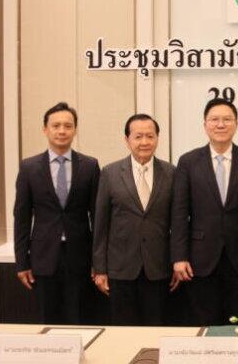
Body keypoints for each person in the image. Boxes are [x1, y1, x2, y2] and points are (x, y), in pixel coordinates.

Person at [171, 98, 238, 325]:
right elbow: (179, 214)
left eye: (227, 119)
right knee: (203, 323)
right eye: (214, 119)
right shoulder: (188, 162)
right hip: (200, 260)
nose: (221, 124)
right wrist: (179, 257)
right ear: (205, 124)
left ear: (236, 124)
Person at [13, 102, 100, 324]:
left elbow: (97, 217)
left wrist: (98, 261)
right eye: (56, 125)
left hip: (80, 257)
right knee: (47, 319)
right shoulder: (29, 167)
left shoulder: (90, 166)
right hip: (43, 258)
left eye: (68, 126)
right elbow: (22, 218)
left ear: (75, 130)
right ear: (45, 129)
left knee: (79, 319)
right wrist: (22, 262)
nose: (62, 131)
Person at [92, 114, 175, 325]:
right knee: (124, 330)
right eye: (138, 136)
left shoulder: (172, 173)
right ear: (127, 139)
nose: (144, 142)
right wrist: (100, 269)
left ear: (157, 138)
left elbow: (178, 223)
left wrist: (176, 262)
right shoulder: (110, 173)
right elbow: (100, 225)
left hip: (159, 268)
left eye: (150, 136)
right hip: (121, 269)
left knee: (157, 329)